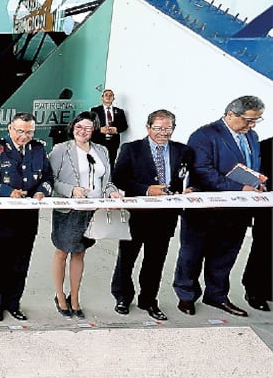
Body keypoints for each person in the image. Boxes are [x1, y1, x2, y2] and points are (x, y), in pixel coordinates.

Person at [173, 96, 265, 317]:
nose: (252, 125)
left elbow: (252, 166)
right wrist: (240, 188)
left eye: (256, 120)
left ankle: (217, 295)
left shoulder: (252, 136)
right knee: (192, 256)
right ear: (231, 114)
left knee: (225, 256)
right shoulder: (204, 135)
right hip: (205, 209)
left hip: (238, 210)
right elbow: (203, 171)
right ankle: (186, 296)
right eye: (249, 120)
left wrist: (257, 184)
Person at [110, 109, 194, 321]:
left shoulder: (183, 151)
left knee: (155, 262)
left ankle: (148, 300)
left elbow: (189, 176)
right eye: (158, 128)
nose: (163, 133)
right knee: (127, 259)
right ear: (148, 128)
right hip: (136, 215)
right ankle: (122, 297)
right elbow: (119, 178)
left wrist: (190, 189)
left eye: (168, 128)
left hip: (165, 217)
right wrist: (146, 190)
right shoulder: (131, 149)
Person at [0, 112, 53, 322]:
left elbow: (48, 178)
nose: (24, 136)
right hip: (0, 217)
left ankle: (14, 303)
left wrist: (42, 192)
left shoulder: (38, 149)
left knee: (21, 264)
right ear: (10, 128)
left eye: (29, 132)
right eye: (20, 131)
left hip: (27, 217)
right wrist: (8, 192)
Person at [48, 111, 121, 319]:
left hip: (92, 211)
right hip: (69, 210)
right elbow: (50, 179)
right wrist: (72, 190)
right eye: (79, 127)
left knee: (79, 253)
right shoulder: (61, 149)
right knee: (62, 252)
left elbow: (106, 181)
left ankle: (75, 298)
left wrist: (112, 192)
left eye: (88, 127)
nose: (82, 131)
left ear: (94, 130)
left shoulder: (102, 151)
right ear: (72, 128)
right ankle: (60, 296)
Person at [242, 136, 272, 311]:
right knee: (264, 248)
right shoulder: (265, 147)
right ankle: (255, 290)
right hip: (268, 209)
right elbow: (255, 177)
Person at [90, 89, 128, 168]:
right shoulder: (95, 111)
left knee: (111, 163)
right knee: (97, 163)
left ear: (113, 98)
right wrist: (100, 130)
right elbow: (90, 125)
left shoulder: (120, 111)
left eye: (111, 95)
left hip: (113, 142)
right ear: (102, 98)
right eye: (106, 95)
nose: (108, 97)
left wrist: (116, 130)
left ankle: (110, 176)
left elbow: (124, 126)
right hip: (98, 141)